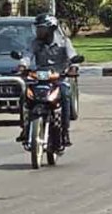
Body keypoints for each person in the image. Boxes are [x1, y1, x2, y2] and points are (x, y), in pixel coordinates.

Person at [18, 13, 78, 146]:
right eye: (37, 28)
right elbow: (27, 55)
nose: (38, 31)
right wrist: (22, 66)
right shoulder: (35, 43)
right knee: (24, 95)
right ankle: (25, 128)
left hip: (59, 78)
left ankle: (65, 132)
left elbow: (73, 56)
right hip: (40, 77)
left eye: (41, 28)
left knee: (65, 94)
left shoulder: (64, 42)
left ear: (51, 29)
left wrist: (73, 68)